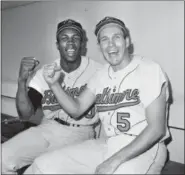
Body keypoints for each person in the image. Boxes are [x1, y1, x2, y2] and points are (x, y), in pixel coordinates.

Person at [24, 16, 170, 174]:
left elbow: (157, 129)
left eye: (117, 37)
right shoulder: (100, 75)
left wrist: (113, 161)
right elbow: (76, 109)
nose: (111, 44)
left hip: (146, 148)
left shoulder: (149, 69)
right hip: (109, 144)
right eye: (104, 39)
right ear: (100, 46)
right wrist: (54, 84)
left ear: (127, 41)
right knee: (42, 165)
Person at [2, 19, 102, 174]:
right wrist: (21, 81)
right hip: (47, 127)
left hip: (80, 132)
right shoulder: (46, 71)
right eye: (64, 38)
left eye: (75, 38)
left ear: (82, 44)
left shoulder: (98, 71)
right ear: (57, 45)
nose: (70, 42)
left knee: (40, 169)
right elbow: (25, 114)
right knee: (3, 156)